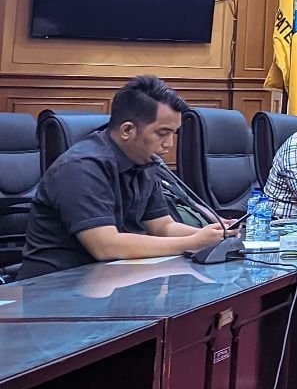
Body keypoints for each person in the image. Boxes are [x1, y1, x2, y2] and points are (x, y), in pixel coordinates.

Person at [17, 75, 225, 279]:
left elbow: (163, 227)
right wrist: (193, 242)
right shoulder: (81, 167)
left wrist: (216, 234)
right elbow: (105, 246)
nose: (169, 144)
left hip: (111, 277)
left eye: (173, 133)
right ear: (127, 130)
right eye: (162, 133)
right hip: (58, 283)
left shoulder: (144, 162)